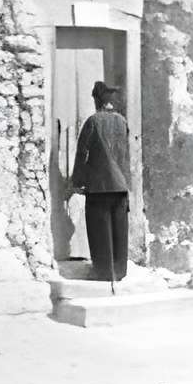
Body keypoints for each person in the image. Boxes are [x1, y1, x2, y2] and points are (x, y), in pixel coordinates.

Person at [68, 80, 130, 285]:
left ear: (97, 100)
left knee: (99, 229)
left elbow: (82, 153)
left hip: (99, 186)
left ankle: (103, 272)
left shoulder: (93, 122)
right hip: (120, 186)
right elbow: (126, 155)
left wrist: (77, 181)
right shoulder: (122, 122)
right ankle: (119, 271)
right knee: (119, 229)